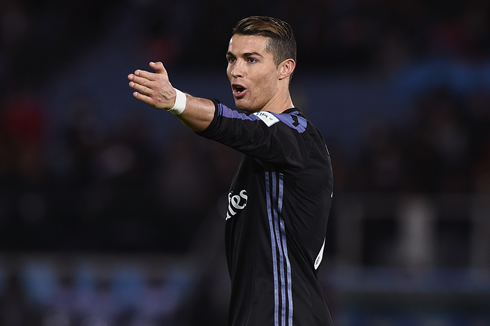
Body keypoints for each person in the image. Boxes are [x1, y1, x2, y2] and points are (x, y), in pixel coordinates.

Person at [128, 16, 334, 326]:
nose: (236, 70)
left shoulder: (295, 136)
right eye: (231, 59)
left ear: (284, 68)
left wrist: (177, 101)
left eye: (251, 59)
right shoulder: (267, 156)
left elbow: (236, 128)